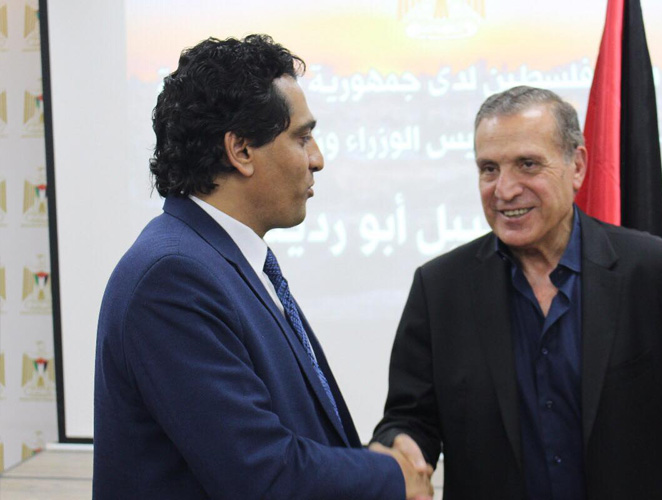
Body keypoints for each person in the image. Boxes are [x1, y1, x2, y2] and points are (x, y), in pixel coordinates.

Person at [93, 35, 432, 500]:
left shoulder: (219, 261)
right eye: (302, 137)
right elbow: (260, 474)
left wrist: (368, 461)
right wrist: (391, 477)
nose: (317, 159)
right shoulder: (171, 278)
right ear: (241, 150)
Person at [372, 86, 662, 499]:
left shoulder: (660, 277)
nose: (504, 190)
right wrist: (399, 445)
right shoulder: (440, 289)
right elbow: (408, 419)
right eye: (489, 169)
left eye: (527, 164)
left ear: (576, 166)